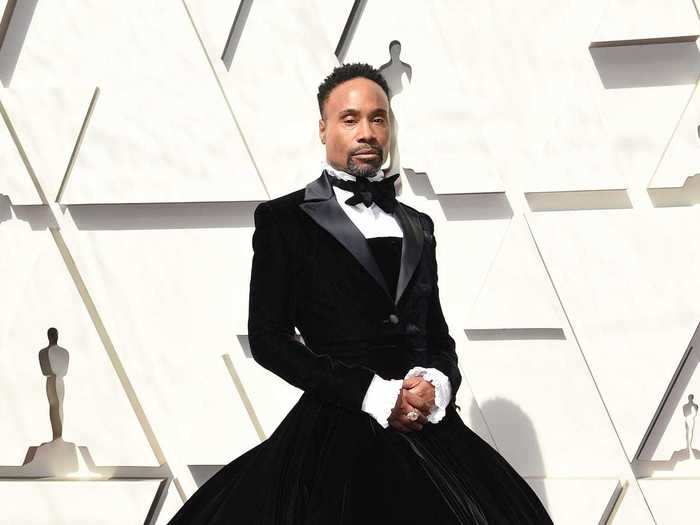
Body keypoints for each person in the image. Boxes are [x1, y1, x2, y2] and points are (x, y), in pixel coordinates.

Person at [169, 63, 553, 524]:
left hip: (429, 430)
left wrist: (437, 382)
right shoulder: (283, 220)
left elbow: (437, 335)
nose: (366, 132)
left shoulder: (419, 225)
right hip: (337, 424)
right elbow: (269, 340)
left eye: (378, 118)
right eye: (350, 119)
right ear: (323, 128)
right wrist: (371, 394)